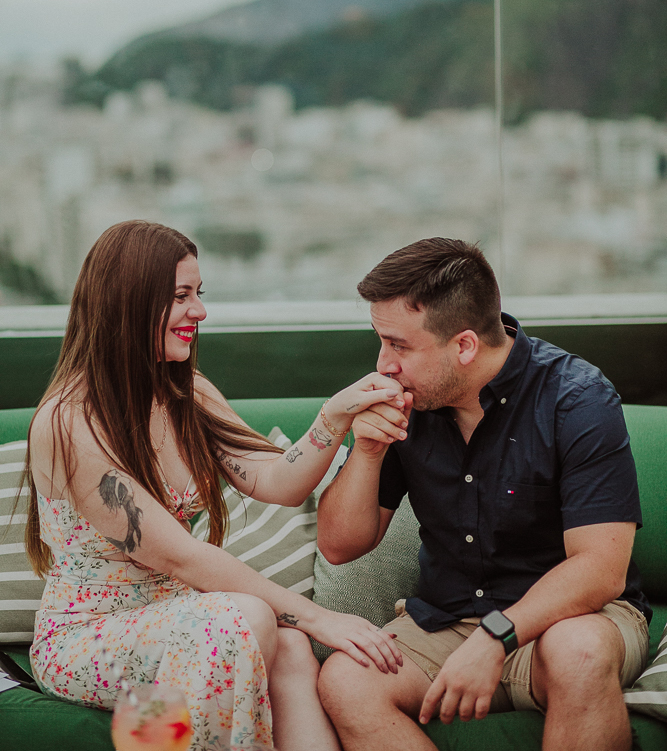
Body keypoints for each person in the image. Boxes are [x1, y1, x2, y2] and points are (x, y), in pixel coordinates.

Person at [25, 220, 404, 751]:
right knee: (243, 618)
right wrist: (323, 618)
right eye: (182, 296)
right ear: (130, 302)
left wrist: (334, 416)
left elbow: (278, 481)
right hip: (87, 637)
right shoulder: (69, 423)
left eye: (198, 294)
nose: (199, 312)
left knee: (290, 647)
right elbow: (180, 557)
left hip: (181, 619)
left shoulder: (187, 392)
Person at [316, 237, 650, 751]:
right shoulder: (411, 402)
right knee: (345, 680)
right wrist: (365, 451)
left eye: (399, 345)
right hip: (447, 621)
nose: (384, 365)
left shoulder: (576, 398)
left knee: (576, 652)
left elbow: (600, 569)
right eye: (380, 342)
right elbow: (340, 546)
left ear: (465, 345)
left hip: (571, 619)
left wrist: (495, 635)